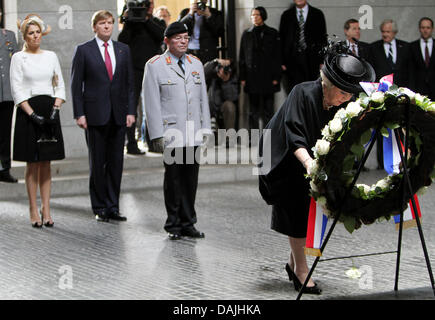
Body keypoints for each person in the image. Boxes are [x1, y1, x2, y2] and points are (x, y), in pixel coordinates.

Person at [258, 42, 375, 294]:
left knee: (311, 208)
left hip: (311, 155)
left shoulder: (344, 103)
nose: (347, 99)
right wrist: (310, 163)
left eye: (350, 95)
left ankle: (293, 264)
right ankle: (301, 270)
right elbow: (294, 134)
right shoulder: (303, 92)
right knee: (297, 209)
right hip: (282, 154)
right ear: (327, 85)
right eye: (343, 94)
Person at [143, 22, 211, 240]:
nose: (183, 42)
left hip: (192, 131)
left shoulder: (196, 63)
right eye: (178, 38)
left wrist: (206, 129)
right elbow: (151, 103)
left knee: (191, 179)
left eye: (186, 38)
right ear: (167, 41)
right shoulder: (155, 65)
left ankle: (188, 222)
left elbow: (203, 101)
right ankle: (173, 224)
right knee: (173, 179)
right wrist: (156, 135)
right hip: (171, 132)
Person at [71, 10, 136, 223]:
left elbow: (129, 85)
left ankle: (113, 206)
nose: (107, 26)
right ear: (95, 27)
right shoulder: (83, 51)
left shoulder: (123, 50)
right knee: (98, 163)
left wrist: (130, 111)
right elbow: (75, 85)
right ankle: (99, 206)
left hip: (118, 115)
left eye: (110, 23)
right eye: (102, 23)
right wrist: (79, 113)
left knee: (116, 163)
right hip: (94, 115)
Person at [10, 14, 66, 227]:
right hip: (28, 111)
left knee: (46, 162)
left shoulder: (51, 56)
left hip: (50, 110)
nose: (35, 36)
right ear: (24, 36)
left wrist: (55, 110)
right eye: (31, 33)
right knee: (32, 162)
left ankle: (47, 209)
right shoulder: (18, 58)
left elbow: (59, 84)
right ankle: (33, 208)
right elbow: (17, 88)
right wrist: (32, 114)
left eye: (37, 32)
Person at [119, 0, 166, 154]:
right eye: (146, 4)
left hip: (152, 69)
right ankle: (131, 144)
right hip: (133, 69)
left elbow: (160, 36)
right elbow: (122, 40)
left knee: (153, 107)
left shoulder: (156, 22)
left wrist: (146, 20)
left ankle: (153, 143)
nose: (148, 6)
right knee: (131, 106)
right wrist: (128, 20)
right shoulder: (132, 22)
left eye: (150, 3)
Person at [369, 19, 410, 169]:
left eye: (388, 32)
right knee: (383, 128)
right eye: (383, 32)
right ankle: (382, 162)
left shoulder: (405, 47)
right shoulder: (374, 48)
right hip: (383, 95)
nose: (385, 34)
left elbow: (409, 71)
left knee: (403, 127)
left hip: (401, 95)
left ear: (394, 32)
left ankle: (403, 159)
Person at [239, 7, 281, 133]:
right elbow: (242, 57)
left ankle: (269, 136)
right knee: (253, 110)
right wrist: (242, 77)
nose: (254, 17)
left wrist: (276, 77)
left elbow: (277, 56)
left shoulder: (272, 33)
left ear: (263, 16)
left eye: (257, 15)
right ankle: (254, 136)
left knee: (269, 109)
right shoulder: (247, 34)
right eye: (252, 15)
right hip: (252, 77)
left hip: (268, 76)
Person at [279, 0, 327, 94]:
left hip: (312, 59)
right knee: (294, 91)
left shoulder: (317, 14)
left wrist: (322, 60)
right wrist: (282, 61)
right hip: (292, 60)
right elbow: (282, 39)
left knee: (312, 90)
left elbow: (322, 38)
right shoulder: (286, 15)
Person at [0, 9, 19, 183]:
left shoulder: (9, 36)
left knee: (5, 132)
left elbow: (16, 61)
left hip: (6, 93)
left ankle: (4, 168)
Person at [204, 58, 238, 136]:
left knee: (230, 106)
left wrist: (226, 82)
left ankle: (229, 138)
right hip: (210, 107)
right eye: (220, 67)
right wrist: (215, 62)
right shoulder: (211, 75)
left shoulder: (231, 77)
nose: (222, 70)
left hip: (222, 108)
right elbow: (203, 72)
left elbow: (232, 97)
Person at [409, 17, 434, 100]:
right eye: (423, 27)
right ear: (419, 29)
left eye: (428, 28)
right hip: (418, 91)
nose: (425, 30)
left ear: (432, 29)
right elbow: (410, 70)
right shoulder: (412, 47)